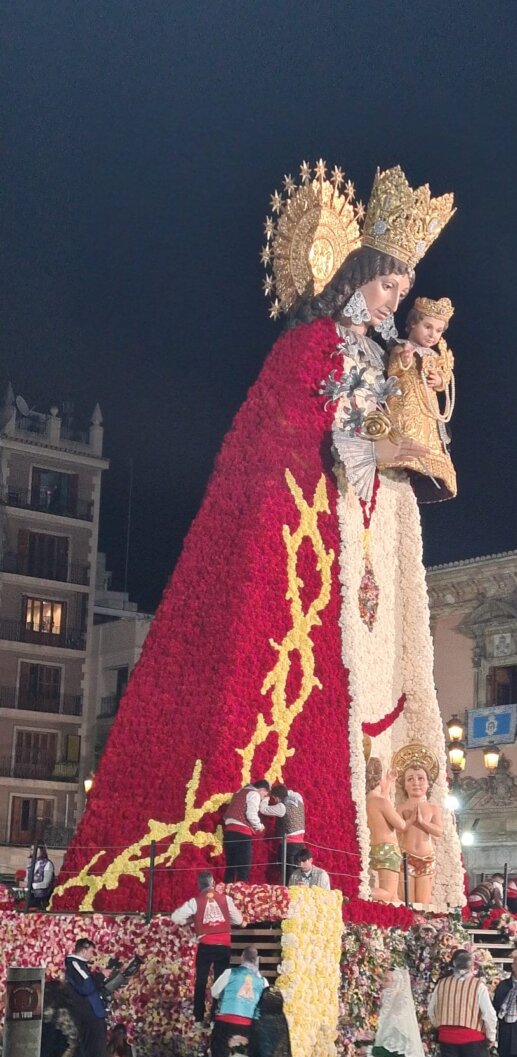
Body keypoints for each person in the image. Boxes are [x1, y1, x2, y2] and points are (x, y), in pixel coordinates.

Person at [54, 164, 465, 919]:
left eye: (401, 295)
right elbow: (288, 434)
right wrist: (375, 449)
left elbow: (387, 429)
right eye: (385, 289)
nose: (392, 304)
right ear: (353, 278)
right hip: (301, 534)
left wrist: (416, 419)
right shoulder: (306, 345)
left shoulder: (384, 359)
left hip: (364, 539)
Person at [385, 296, 456, 501]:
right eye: (428, 327)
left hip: (428, 408)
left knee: (430, 438)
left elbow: (444, 381)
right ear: (413, 323)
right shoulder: (401, 347)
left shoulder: (434, 356)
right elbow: (393, 370)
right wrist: (405, 360)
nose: (432, 334)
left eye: (438, 330)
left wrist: (440, 381)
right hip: (406, 403)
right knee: (407, 432)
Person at [428, 949, 497, 1057]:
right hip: (472, 1037)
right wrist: (491, 1035)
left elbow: (431, 1010)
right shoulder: (477, 986)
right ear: (471, 965)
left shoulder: (442, 984)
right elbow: (489, 1014)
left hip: (447, 1038)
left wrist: (440, 1026)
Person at [171, 871, 243, 1022]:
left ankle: (198, 1016)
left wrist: (192, 920)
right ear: (213, 883)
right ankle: (215, 1015)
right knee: (220, 980)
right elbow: (238, 919)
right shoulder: (226, 899)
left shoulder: (195, 901)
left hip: (206, 946)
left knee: (201, 981)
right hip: (223, 945)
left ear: (199, 885)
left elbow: (175, 917)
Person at [394, 744, 443, 909]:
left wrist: (422, 822)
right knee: (406, 899)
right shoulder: (400, 808)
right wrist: (409, 821)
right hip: (406, 857)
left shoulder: (433, 808)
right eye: (410, 779)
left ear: (428, 784)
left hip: (426, 857)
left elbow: (438, 831)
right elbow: (397, 830)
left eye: (421, 778)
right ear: (405, 785)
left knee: (423, 902)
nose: (416, 783)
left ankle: (423, 929)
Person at [209, 946, 268, 1057]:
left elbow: (214, 992)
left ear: (242, 958)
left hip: (225, 1022)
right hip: (248, 1026)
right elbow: (264, 1003)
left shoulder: (231, 973)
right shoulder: (262, 981)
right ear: (256, 960)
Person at [223, 779, 286, 883]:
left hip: (229, 831)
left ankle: (226, 894)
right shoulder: (254, 794)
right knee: (243, 867)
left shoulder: (239, 792)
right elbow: (251, 814)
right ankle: (240, 894)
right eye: (265, 794)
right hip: (241, 833)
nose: (264, 797)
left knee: (230, 866)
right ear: (262, 789)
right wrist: (259, 826)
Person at [365, 758, 406, 904]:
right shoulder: (381, 802)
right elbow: (401, 825)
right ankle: (357, 892)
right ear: (377, 777)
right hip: (388, 849)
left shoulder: (369, 801)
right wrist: (413, 819)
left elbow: (382, 799)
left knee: (393, 897)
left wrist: (389, 783)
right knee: (388, 893)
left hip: (377, 848)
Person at [269, 782, 306, 851]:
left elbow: (264, 810)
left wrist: (265, 798)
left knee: (284, 861)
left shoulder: (281, 806)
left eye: (274, 798)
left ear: (277, 797)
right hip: (300, 841)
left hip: (288, 843)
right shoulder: (298, 798)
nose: (275, 801)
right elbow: (291, 793)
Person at [26, 843, 55, 909]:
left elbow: (46, 883)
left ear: (41, 850)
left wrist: (31, 885)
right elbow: (27, 878)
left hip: (41, 895)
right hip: (30, 893)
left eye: (35, 849)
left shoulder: (47, 864)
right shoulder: (30, 864)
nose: (32, 851)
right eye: (31, 849)